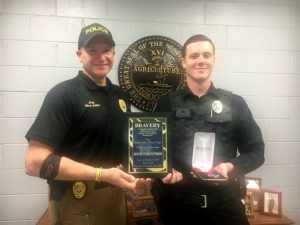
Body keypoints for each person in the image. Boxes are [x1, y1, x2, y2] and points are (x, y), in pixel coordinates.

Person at [24, 23, 181, 225]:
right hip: (76, 199)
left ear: (114, 53)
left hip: (116, 196)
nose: (101, 56)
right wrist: (101, 174)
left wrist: (150, 170)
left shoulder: (120, 96)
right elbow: (33, 163)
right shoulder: (63, 94)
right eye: (92, 50)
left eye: (106, 50)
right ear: (79, 54)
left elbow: (124, 149)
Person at [151, 34, 265, 225]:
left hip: (225, 207)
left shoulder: (235, 103)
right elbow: (151, 152)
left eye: (206, 55)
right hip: (178, 209)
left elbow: (256, 152)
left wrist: (231, 167)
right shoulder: (166, 104)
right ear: (183, 62)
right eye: (194, 56)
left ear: (213, 60)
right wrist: (163, 171)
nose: (201, 60)